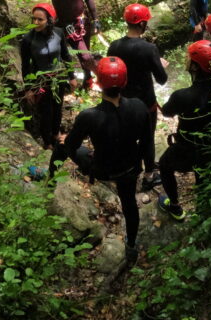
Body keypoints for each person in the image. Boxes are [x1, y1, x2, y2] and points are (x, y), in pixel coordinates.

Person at [63, 56, 152, 264]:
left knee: (75, 149)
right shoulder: (139, 107)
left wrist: (82, 160)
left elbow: (71, 146)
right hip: (130, 167)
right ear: (125, 82)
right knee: (129, 203)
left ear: (98, 83)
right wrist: (148, 170)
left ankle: (67, 172)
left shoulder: (89, 116)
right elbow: (147, 143)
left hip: (102, 169)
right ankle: (131, 245)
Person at [3, 0, 99, 90]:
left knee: (86, 53)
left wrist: (95, 18)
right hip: (66, 24)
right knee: (84, 56)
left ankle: (88, 79)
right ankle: (71, 80)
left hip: (82, 21)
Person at [157, 40, 211, 221]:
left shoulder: (182, 96)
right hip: (209, 145)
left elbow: (168, 112)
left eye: (189, 59)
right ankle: (204, 213)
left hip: (186, 146)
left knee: (164, 164)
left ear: (195, 67)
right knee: (203, 175)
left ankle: (175, 206)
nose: (186, 60)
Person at [107, 3, 168, 191]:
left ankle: (131, 169)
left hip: (123, 101)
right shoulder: (149, 48)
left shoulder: (114, 46)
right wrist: (160, 64)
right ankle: (149, 175)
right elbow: (162, 79)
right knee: (147, 137)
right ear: (142, 24)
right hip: (145, 103)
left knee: (128, 136)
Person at [20, 3, 77, 150]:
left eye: (40, 20)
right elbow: (25, 66)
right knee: (45, 110)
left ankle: (55, 135)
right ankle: (47, 142)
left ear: (49, 20)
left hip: (58, 78)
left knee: (58, 107)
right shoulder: (28, 39)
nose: (36, 23)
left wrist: (72, 76)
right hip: (40, 82)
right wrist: (28, 89)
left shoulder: (58, 33)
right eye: (34, 19)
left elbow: (66, 56)